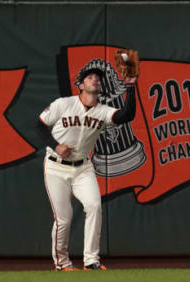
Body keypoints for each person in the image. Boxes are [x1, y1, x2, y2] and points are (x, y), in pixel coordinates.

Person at [37, 67, 137, 271]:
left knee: (94, 206)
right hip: (56, 167)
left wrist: (131, 87)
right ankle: (62, 263)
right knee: (64, 218)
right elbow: (38, 126)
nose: (95, 80)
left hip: (83, 167)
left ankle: (91, 260)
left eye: (98, 79)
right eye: (90, 78)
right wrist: (55, 145)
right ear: (80, 85)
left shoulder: (103, 111)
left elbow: (126, 115)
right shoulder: (64, 104)